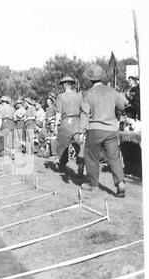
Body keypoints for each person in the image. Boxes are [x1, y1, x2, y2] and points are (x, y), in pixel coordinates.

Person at [78, 64, 126, 197]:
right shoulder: (112, 91)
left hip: (95, 130)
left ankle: (93, 185)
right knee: (114, 157)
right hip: (111, 130)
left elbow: (85, 114)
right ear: (102, 78)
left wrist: (81, 131)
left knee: (91, 157)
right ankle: (120, 183)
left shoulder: (88, 94)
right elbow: (122, 106)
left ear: (90, 79)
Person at [54, 76, 84, 176]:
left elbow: (58, 112)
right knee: (79, 145)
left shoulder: (61, 97)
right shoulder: (79, 96)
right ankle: (80, 165)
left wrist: (55, 125)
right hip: (77, 121)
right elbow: (83, 111)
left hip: (66, 122)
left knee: (63, 145)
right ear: (72, 85)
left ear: (64, 85)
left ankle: (63, 167)